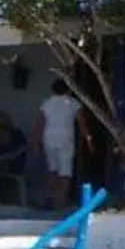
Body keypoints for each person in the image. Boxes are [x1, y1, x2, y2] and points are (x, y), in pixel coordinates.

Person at [36, 79, 80, 208]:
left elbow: (40, 123)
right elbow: (81, 122)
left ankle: (53, 197)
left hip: (49, 138)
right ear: (68, 89)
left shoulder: (47, 103)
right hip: (66, 138)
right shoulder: (73, 103)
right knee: (65, 171)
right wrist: (88, 138)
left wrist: (35, 141)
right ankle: (61, 201)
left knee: (52, 169)